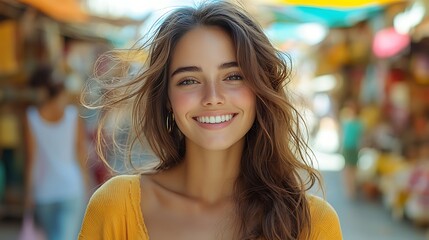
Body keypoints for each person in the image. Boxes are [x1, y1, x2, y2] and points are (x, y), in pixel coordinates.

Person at [78, 1, 342, 239]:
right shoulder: (115, 207)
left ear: (260, 89)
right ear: (167, 99)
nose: (212, 97)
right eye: (189, 80)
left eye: (233, 76)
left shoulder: (313, 223)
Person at [24, 65, 89, 240]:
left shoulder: (32, 117)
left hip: (43, 192)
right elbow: (81, 154)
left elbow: (32, 161)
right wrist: (87, 187)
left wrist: (29, 194)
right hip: (71, 189)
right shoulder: (72, 116)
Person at [339, 99, 364, 199]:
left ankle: (352, 188)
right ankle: (349, 189)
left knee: (352, 169)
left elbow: (360, 137)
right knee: (348, 169)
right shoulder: (347, 122)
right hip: (348, 147)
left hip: (354, 148)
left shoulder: (358, 123)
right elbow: (343, 135)